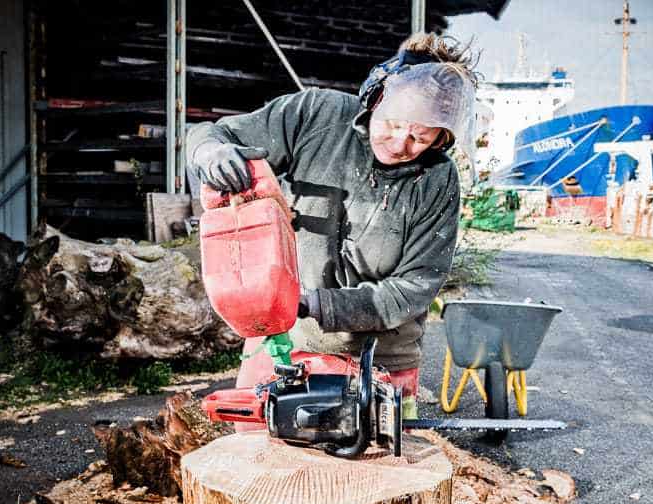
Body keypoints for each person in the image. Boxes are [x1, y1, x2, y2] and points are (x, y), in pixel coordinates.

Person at [186, 34, 477, 421]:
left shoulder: (438, 181)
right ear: (376, 98)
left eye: (419, 137)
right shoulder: (315, 114)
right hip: (282, 339)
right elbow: (215, 134)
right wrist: (211, 152)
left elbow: (413, 287)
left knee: (379, 468)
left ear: (441, 139)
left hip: (382, 355)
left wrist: (313, 303)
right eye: (392, 124)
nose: (399, 142)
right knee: (258, 452)